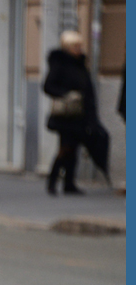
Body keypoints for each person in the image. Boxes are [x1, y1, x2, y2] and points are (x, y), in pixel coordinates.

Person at [43, 30, 103, 195]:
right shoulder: (59, 63)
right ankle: (52, 180)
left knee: (74, 148)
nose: (79, 49)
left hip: (81, 114)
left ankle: (69, 183)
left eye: (80, 45)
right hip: (66, 115)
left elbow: (88, 88)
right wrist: (67, 94)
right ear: (67, 47)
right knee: (66, 148)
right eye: (75, 46)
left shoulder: (81, 64)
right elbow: (48, 86)